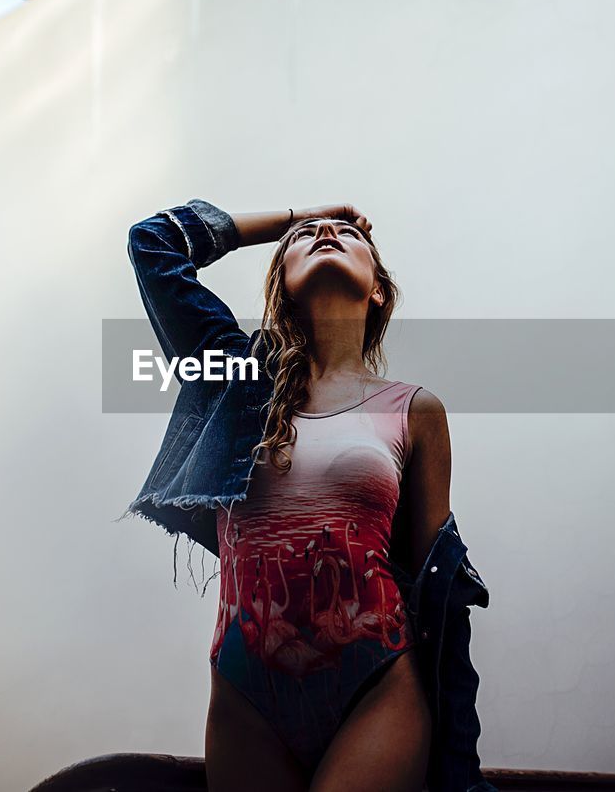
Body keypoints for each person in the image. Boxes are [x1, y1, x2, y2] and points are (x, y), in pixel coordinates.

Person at [122, 200, 494, 792]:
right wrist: (294, 216)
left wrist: (458, 760)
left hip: (377, 683)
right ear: (281, 286)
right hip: (246, 696)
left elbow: (438, 590)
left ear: (377, 291)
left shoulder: (415, 409)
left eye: (347, 234)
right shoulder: (233, 379)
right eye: (305, 238)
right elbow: (152, 246)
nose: (324, 233)